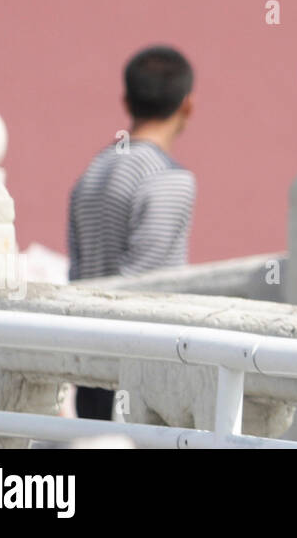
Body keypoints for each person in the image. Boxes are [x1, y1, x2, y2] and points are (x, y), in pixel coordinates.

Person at [67, 45, 196, 419]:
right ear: (188, 105)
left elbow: (77, 271)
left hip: (89, 364)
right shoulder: (170, 179)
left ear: (127, 99)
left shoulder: (91, 173)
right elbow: (144, 284)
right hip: (140, 373)